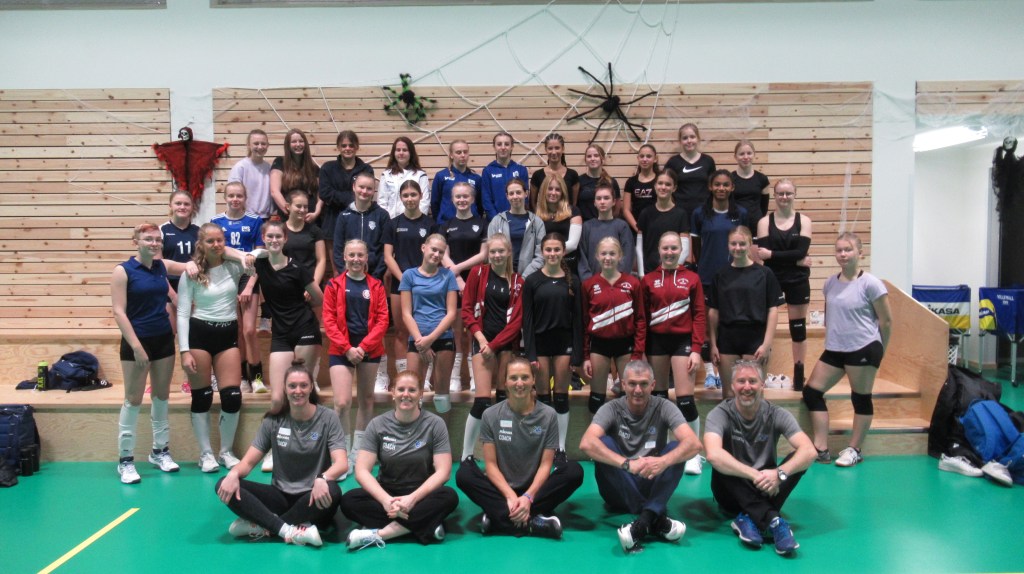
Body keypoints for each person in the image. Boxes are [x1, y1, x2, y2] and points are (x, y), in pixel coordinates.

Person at [215, 365, 346, 547]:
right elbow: (248, 462)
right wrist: (233, 474)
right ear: (284, 388)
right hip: (279, 497)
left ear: (311, 387)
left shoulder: (328, 418)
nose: (298, 391)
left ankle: (265, 524)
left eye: (303, 385)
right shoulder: (273, 420)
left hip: (312, 496)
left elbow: (341, 463)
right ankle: (288, 529)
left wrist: (322, 478)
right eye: (292, 386)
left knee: (334, 492)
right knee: (223, 484)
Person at [579, 360, 701, 553]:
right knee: (603, 443)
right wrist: (627, 464)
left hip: (649, 479)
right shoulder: (611, 408)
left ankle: (643, 522)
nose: (638, 390)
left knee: (677, 448)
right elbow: (586, 443)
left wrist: (663, 461)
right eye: (632, 384)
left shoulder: (664, 406)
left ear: (653, 385)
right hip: (618, 488)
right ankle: (655, 517)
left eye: (644, 384)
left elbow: (694, 444)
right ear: (623, 384)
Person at [456, 357, 583, 538]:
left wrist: (528, 497)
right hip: (502, 489)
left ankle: (498, 517)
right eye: (513, 378)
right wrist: (510, 496)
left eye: (525, 377)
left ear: (533, 380)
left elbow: (546, 465)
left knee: (574, 471)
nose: (519, 383)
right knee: (464, 475)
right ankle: (531, 523)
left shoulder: (548, 415)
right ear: (505, 383)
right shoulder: (490, 415)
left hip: (535, 491)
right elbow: (490, 465)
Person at [703, 360, 816, 556]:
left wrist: (779, 473)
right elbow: (713, 454)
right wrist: (755, 475)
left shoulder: (776, 414)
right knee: (723, 459)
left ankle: (747, 518)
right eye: (741, 381)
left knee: (797, 458)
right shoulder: (720, 414)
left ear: (762, 385)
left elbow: (809, 451)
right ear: (732, 385)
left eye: (753, 381)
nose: (747, 387)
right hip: (731, 492)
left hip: (767, 487)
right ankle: (774, 521)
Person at [341, 370, 459, 550]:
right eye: (401, 389)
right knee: (349, 500)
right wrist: (386, 501)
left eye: (412, 390)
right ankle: (425, 524)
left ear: (420, 394)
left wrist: (412, 499)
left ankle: (380, 534)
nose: (406, 394)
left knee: (449, 497)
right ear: (393, 392)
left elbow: (444, 472)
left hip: (421, 494)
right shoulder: (377, 425)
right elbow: (362, 471)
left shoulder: (435, 424)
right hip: (387, 492)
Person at [802, 232, 892, 467]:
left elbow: (886, 321)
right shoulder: (830, 283)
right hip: (835, 349)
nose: (843, 254)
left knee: (860, 398)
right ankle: (821, 447)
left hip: (863, 347)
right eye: (839, 250)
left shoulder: (871, 284)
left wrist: (880, 350)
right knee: (811, 393)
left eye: (848, 250)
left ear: (860, 253)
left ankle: (854, 449)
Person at [177, 223, 255, 473]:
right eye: (209, 241)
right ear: (200, 244)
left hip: (227, 334)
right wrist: (184, 350)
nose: (216, 245)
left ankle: (226, 452)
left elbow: (259, 257)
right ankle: (206, 454)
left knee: (232, 396)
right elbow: (182, 313)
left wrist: (240, 254)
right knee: (202, 396)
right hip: (199, 334)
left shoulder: (234, 267)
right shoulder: (191, 273)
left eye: (220, 240)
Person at [249, 221, 324, 472]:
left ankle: (310, 447)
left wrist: (306, 295)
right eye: (269, 236)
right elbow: (228, 252)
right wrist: (252, 253)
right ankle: (274, 449)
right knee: (277, 398)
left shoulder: (297, 268)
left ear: (285, 239)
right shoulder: (260, 263)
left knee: (304, 393)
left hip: (305, 330)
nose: (274, 240)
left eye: (278, 236)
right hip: (280, 334)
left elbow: (319, 298)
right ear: (263, 237)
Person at [112, 223, 182, 483]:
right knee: (133, 400)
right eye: (148, 239)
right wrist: (137, 347)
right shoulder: (123, 271)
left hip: (163, 339)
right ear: (136, 242)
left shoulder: (161, 267)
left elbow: (192, 266)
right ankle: (125, 460)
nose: (154, 243)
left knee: (161, 397)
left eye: (157, 240)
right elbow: (119, 311)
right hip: (136, 343)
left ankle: (160, 451)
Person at [641, 231, 706, 475]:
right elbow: (642, 318)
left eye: (674, 248)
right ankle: (661, 449)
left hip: (683, 342)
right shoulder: (648, 280)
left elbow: (699, 315)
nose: (669, 252)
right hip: (656, 342)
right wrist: (641, 351)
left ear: (681, 250)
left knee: (685, 400)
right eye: (665, 248)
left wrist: (696, 349)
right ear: (659, 250)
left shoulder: (692, 278)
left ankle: (693, 453)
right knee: (657, 399)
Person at [324, 239, 390, 478]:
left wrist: (362, 347)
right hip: (341, 349)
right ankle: (341, 457)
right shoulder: (333, 285)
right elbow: (328, 320)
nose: (355, 259)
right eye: (351, 255)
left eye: (360, 255)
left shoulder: (376, 286)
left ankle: (357, 453)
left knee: (366, 400)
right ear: (344, 257)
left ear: (366, 258)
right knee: (341, 403)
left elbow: (383, 320)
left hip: (369, 349)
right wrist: (347, 348)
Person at [460, 233, 525, 460]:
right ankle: (467, 455)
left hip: (504, 344)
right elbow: (467, 310)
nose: (497, 255)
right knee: (482, 402)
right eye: (493, 251)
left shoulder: (518, 282)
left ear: (509, 253)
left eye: (501, 251)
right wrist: (481, 340)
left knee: (504, 400)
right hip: (482, 342)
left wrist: (495, 345)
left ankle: (502, 455)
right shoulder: (477, 273)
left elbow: (516, 322)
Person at [522, 233, 583, 453]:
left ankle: (560, 448)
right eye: (548, 249)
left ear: (563, 252)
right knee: (542, 398)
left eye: (557, 249)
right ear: (542, 252)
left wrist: (577, 355)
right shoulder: (532, 281)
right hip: (540, 344)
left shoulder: (573, 281)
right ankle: (543, 447)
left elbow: (579, 320)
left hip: (564, 345)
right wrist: (530, 353)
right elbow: (527, 321)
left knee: (561, 397)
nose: (552, 253)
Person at [708, 226, 783, 400]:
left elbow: (773, 310)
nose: (738, 248)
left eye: (742, 244)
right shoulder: (720, 275)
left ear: (750, 245)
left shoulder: (765, 274)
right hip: (727, 339)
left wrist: (766, 344)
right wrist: (713, 344)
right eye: (733, 244)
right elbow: (713, 313)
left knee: (753, 395)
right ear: (728, 245)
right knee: (729, 395)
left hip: (755, 339)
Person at [692, 169, 749, 388]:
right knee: (708, 327)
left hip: (735, 278)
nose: (721, 188)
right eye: (717, 184)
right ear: (710, 187)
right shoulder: (700, 213)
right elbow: (696, 248)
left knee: (730, 324)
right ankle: (709, 373)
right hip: (707, 278)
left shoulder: (741, 213)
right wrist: (704, 266)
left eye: (726, 184)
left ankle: (732, 373)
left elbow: (746, 244)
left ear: (732, 187)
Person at [755, 179, 812, 390]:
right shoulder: (764, 222)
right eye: (780, 193)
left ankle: (799, 374)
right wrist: (795, 259)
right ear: (775, 195)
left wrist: (774, 255)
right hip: (773, 279)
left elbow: (800, 252)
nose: (784, 197)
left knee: (798, 329)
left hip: (797, 280)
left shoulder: (804, 221)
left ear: (795, 194)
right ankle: (758, 374)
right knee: (764, 328)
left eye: (788, 193)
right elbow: (763, 255)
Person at [581, 237, 645, 415]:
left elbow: (640, 320)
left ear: (620, 256)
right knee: (596, 399)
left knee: (629, 396)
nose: (607, 257)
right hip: (599, 346)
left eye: (612, 253)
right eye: (603, 253)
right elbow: (585, 322)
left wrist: (637, 353)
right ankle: (596, 432)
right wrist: (586, 356)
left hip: (625, 345)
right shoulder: (588, 285)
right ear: (597, 256)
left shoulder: (633, 283)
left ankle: (626, 431)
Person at [213, 182, 264, 396]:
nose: (235, 199)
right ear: (225, 197)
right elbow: (215, 252)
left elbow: (260, 255)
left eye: (239, 196)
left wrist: (250, 284)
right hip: (226, 278)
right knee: (237, 331)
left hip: (248, 277)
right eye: (231, 195)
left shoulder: (255, 221)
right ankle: (242, 376)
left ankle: (257, 378)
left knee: (249, 330)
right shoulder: (216, 222)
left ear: (245, 198)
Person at [400, 234, 459, 414]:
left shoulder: (448, 275)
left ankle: (443, 432)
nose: (436, 254)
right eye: (434, 249)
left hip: (443, 338)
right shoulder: (409, 275)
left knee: (442, 396)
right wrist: (421, 342)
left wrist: (430, 339)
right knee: (413, 393)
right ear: (423, 248)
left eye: (441, 252)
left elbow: (451, 314)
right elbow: (406, 313)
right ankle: (414, 431)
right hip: (417, 340)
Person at [383, 180, 436, 379]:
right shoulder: (393, 224)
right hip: (401, 284)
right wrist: (406, 280)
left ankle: (425, 378)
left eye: (413, 194)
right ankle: (403, 377)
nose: (410, 199)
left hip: (426, 283)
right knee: (401, 331)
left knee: (425, 331)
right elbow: (388, 257)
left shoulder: (430, 224)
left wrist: (420, 280)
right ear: (400, 198)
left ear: (420, 196)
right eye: (405, 195)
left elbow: (435, 255)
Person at [441, 181, 488, 392]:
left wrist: (458, 270)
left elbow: (483, 254)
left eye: (465, 196)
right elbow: (443, 255)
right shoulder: (446, 225)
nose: (462, 200)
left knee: (473, 329)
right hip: (453, 284)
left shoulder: (482, 223)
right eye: (458, 196)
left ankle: (474, 375)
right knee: (457, 330)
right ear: (452, 199)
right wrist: (457, 278)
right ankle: (456, 377)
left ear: (472, 199)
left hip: (476, 281)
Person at [319, 130, 374, 271]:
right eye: (344, 145)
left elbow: (366, 193)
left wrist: (337, 196)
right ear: (338, 147)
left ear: (357, 147)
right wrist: (351, 197)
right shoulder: (328, 168)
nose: (347, 148)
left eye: (351, 145)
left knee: (360, 266)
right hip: (332, 222)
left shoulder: (366, 169)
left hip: (358, 221)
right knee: (337, 270)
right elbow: (325, 193)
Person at [332, 172, 389, 281]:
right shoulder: (343, 216)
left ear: (374, 191)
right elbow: (337, 250)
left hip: (375, 277)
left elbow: (385, 251)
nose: (364, 191)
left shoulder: (382, 216)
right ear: (354, 187)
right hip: (348, 277)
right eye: (361, 187)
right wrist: (346, 274)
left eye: (369, 188)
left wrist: (376, 276)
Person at [635, 169, 690, 276]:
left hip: (672, 274)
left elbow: (685, 249)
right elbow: (639, 247)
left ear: (674, 188)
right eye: (660, 183)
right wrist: (641, 274)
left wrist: (671, 270)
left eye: (668, 184)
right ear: (655, 186)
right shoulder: (645, 213)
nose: (663, 187)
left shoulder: (681, 214)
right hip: (649, 273)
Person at [487, 179, 545, 277]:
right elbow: (491, 252)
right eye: (511, 193)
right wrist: (502, 274)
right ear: (507, 196)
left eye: (518, 192)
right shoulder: (496, 221)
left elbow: (541, 255)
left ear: (526, 194)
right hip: (502, 275)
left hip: (529, 277)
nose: (515, 196)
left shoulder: (537, 222)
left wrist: (524, 277)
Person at [577, 183, 634, 280]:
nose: (602, 202)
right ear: (594, 202)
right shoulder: (587, 227)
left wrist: (617, 280)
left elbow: (628, 256)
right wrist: (589, 281)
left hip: (617, 283)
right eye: (599, 198)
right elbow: (582, 258)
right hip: (593, 283)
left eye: (606, 198)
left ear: (614, 202)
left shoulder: (622, 226)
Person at [664, 123, 717, 215]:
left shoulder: (708, 161)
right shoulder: (673, 162)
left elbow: (713, 187)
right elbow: (665, 186)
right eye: (685, 138)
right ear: (680, 141)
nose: (689, 141)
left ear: (698, 138)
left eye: (692, 137)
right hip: (680, 212)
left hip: (704, 211)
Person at [535, 175, 582, 277]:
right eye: (550, 189)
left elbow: (573, 244)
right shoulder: (536, 214)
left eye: (557, 189)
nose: (553, 192)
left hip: (568, 263)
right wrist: (549, 255)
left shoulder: (573, 211)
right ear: (544, 190)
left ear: (562, 192)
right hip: (543, 264)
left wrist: (550, 253)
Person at [270, 128, 320, 222]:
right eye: (294, 142)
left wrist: (316, 213)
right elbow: (274, 191)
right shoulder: (280, 162)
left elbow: (320, 194)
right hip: (288, 218)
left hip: (310, 218)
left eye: (301, 141)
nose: (298, 144)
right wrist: (291, 213)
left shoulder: (313, 167)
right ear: (288, 145)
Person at [281, 190, 327, 292]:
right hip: (286, 284)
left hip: (311, 284)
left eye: (305, 207)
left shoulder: (315, 231)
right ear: (288, 206)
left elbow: (321, 260)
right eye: (298, 206)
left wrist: (314, 286)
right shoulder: (280, 230)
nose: (302, 210)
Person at [431, 139, 482, 225]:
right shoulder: (441, 176)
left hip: (471, 224)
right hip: (446, 224)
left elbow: (480, 204)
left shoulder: (476, 178)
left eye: (465, 152)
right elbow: (434, 203)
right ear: (451, 155)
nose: (463, 155)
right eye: (458, 152)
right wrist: (439, 222)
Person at [377, 136, 430, 218]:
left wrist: (416, 220)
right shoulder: (386, 175)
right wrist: (386, 222)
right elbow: (382, 202)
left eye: (405, 150)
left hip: (414, 222)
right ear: (394, 153)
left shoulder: (421, 175)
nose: (401, 153)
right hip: (390, 222)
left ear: (411, 153)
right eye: (398, 150)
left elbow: (424, 203)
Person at [481, 131, 529, 218]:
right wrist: (497, 220)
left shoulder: (521, 170)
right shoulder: (488, 171)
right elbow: (486, 200)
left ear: (512, 147)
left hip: (518, 219)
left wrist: (519, 218)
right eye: (499, 144)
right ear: (494, 147)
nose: (503, 147)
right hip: (495, 220)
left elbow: (525, 198)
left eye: (506, 144)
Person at [228, 128, 273, 220]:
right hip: (244, 217)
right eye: (256, 143)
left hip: (265, 218)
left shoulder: (268, 167)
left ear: (268, 145)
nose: (260, 147)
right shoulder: (240, 167)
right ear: (248, 145)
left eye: (263, 143)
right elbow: (232, 194)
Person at [161, 190, 199, 294]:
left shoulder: (199, 231)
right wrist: (172, 296)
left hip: (194, 284)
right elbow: (158, 267)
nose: (182, 207)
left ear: (192, 207)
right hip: (169, 287)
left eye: (186, 204)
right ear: (170, 206)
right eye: (178, 203)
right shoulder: (162, 231)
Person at [529, 133, 579, 209]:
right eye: (550, 148)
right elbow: (533, 204)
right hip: (544, 216)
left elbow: (575, 204)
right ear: (546, 150)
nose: (554, 152)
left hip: (568, 215)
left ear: (563, 149)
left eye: (557, 148)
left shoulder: (573, 175)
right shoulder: (537, 175)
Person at [730, 140, 770, 226]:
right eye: (741, 154)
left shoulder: (762, 179)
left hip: (756, 224)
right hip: (735, 225)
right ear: (735, 157)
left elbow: (764, 206)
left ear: (754, 154)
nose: (746, 157)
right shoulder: (730, 179)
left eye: (749, 153)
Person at [576, 144, 620, 222]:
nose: (592, 159)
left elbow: (616, 209)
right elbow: (574, 205)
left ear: (602, 159)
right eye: (589, 156)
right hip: (584, 225)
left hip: (606, 224)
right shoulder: (579, 181)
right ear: (585, 160)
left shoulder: (612, 182)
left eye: (596, 156)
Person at [623, 144, 659, 235]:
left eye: (649, 156)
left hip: (657, 227)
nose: (645, 159)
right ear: (638, 158)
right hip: (636, 229)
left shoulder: (660, 180)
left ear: (655, 159)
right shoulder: (631, 182)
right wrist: (637, 228)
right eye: (642, 156)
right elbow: (626, 210)